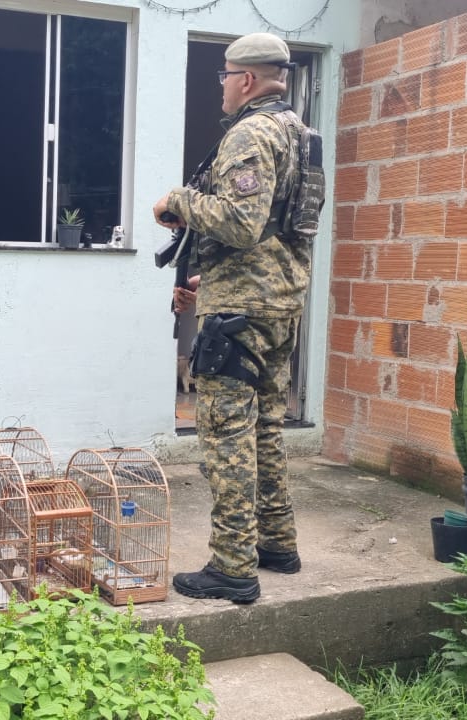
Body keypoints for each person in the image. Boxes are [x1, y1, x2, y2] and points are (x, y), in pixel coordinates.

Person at [153, 31, 313, 604]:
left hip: (241, 314)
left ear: (246, 78)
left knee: (226, 436)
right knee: (268, 426)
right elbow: (272, 229)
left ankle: (232, 566)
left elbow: (242, 222)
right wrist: (206, 278)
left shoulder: (250, 131)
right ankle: (277, 544)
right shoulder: (299, 133)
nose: (220, 87)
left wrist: (178, 201)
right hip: (278, 303)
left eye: (223, 76)